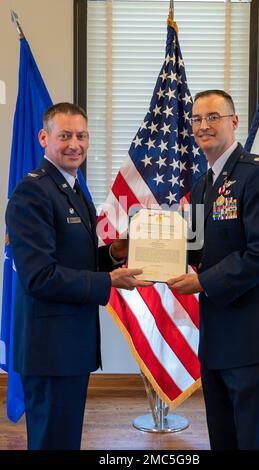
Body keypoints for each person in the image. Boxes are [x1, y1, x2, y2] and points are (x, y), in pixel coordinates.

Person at [5, 102, 151, 450]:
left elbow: (75, 260)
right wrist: (109, 282)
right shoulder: (33, 193)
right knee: (52, 441)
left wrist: (113, 254)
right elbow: (40, 276)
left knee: (65, 438)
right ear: (44, 137)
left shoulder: (71, 188)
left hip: (70, 344)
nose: (75, 144)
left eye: (81, 135)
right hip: (50, 348)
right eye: (65, 135)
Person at [167, 90, 259, 450]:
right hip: (218, 338)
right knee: (224, 439)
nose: (203, 126)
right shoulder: (201, 186)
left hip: (255, 337)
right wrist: (159, 242)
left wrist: (203, 282)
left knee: (256, 440)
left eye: (213, 117)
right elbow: (196, 253)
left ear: (234, 122)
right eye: (196, 119)